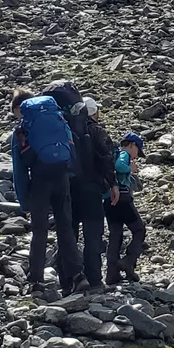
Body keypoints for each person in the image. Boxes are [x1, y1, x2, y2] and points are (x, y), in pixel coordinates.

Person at [10, 89, 80, 295]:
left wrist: (25, 202)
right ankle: (77, 275)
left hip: (39, 181)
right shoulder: (58, 119)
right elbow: (71, 150)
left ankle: (37, 281)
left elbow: (19, 170)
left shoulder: (22, 129)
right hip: (61, 178)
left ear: (19, 108)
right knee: (65, 228)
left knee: (39, 232)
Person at [63, 93, 117, 291]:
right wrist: (113, 184)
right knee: (93, 234)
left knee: (69, 233)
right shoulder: (96, 131)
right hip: (92, 189)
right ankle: (94, 278)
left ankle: (69, 280)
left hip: (68, 188)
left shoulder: (65, 129)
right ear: (94, 112)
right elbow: (107, 158)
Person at [106, 132, 147, 283]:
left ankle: (112, 274)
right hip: (122, 198)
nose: (136, 156)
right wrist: (131, 169)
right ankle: (128, 261)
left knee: (115, 234)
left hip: (108, 199)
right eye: (137, 151)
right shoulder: (124, 154)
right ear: (131, 145)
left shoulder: (112, 153)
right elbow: (119, 166)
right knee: (139, 229)